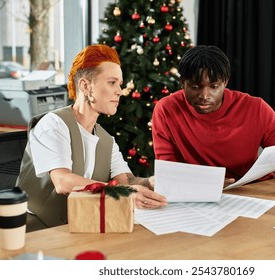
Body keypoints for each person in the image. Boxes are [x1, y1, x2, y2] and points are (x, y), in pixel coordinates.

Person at [17, 44, 167, 232]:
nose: (119, 91)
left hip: (82, 225)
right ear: (85, 86)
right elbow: (63, 182)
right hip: (36, 230)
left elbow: (126, 182)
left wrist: (149, 183)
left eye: (120, 84)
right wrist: (125, 192)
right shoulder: (53, 124)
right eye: (112, 82)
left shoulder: (107, 140)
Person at [152, 45, 275, 187]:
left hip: (255, 190)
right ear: (183, 82)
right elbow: (168, 172)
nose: (204, 95)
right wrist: (208, 185)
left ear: (225, 82)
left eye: (214, 87)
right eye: (195, 87)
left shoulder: (256, 108)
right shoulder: (166, 110)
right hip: (197, 194)